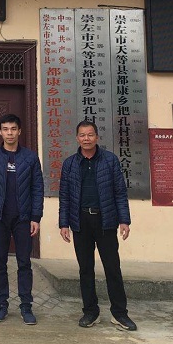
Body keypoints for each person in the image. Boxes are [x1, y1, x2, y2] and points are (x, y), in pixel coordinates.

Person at [59, 120, 137, 331]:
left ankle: (119, 314)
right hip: (80, 222)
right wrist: (64, 223)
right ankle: (90, 312)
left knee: (112, 268)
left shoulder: (110, 160)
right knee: (85, 269)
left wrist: (124, 220)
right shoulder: (70, 164)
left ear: (96, 137)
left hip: (106, 221)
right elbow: (64, 196)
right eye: (82, 135)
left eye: (90, 134)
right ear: (77, 138)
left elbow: (120, 192)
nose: (86, 139)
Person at [0, 114, 44, 325]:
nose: (10, 133)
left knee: (24, 262)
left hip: (23, 218)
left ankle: (26, 306)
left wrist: (35, 217)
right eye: (6, 129)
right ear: (0, 132)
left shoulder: (30, 158)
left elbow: (37, 188)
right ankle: (1, 304)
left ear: (19, 131)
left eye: (13, 129)